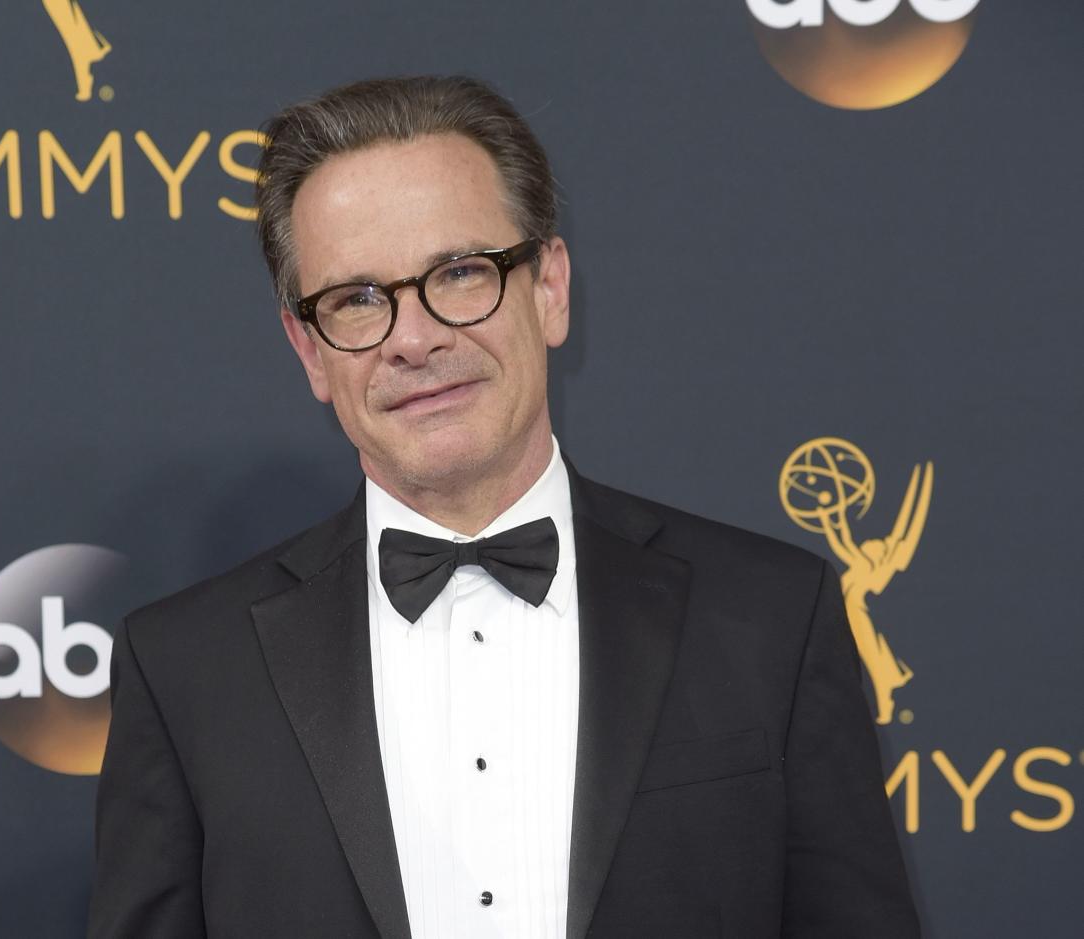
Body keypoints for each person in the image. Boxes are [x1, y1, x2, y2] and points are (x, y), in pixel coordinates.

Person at [87, 75, 921, 939]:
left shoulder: (771, 617)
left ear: (550, 288)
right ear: (309, 348)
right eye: (358, 300)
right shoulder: (185, 668)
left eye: (458, 273)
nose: (414, 339)